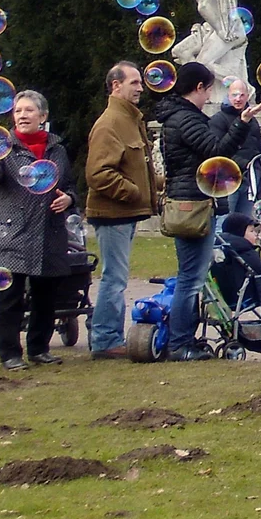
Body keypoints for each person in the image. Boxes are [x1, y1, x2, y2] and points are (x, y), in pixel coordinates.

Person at [0, 90, 76, 369]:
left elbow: (68, 186)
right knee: (9, 296)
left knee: (46, 295)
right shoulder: (3, 148)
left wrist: (69, 199)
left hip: (49, 231)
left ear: (42, 116)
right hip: (13, 231)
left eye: (29, 110)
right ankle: (10, 353)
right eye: (18, 111)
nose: (22, 115)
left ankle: (39, 349)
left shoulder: (57, 149)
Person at [155, 61, 244, 361]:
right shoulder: (186, 118)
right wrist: (242, 123)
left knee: (191, 276)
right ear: (198, 88)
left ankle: (184, 339)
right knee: (190, 278)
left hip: (189, 201)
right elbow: (217, 152)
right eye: (208, 89)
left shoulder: (179, 116)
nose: (209, 97)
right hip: (193, 204)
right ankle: (180, 344)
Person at [83, 62, 154, 360]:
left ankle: (106, 336)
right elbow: (97, 173)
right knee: (115, 277)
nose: (140, 88)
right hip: (112, 214)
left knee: (116, 276)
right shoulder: (110, 122)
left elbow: (134, 167)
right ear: (116, 86)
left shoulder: (129, 119)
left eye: (140, 83)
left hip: (124, 213)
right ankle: (105, 340)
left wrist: (157, 185)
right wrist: (133, 192)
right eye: (134, 82)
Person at [210, 78, 261, 188]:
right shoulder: (218, 119)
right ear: (228, 96)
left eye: (242, 95)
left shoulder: (252, 120)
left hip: (252, 176)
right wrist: (246, 164)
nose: (238, 99)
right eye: (234, 95)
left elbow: (259, 146)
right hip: (228, 177)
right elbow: (218, 151)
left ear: (248, 96)